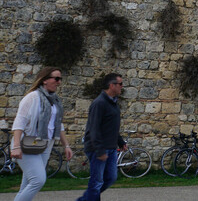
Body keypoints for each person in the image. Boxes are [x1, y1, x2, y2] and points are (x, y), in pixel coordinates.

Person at [10, 67, 74, 201]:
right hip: (27, 143)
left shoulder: (54, 100)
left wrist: (66, 145)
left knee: (27, 184)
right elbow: (19, 121)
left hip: (45, 144)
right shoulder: (32, 97)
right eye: (56, 78)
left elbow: (58, 124)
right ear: (45, 80)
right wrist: (16, 146)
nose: (59, 82)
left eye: (60, 79)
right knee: (38, 180)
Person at [77, 73, 127, 201]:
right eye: (120, 84)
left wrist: (120, 142)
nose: (122, 86)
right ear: (111, 85)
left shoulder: (113, 103)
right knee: (97, 182)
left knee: (111, 178)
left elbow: (112, 127)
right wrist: (99, 150)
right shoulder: (99, 103)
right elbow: (94, 128)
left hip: (110, 147)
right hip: (98, 149)